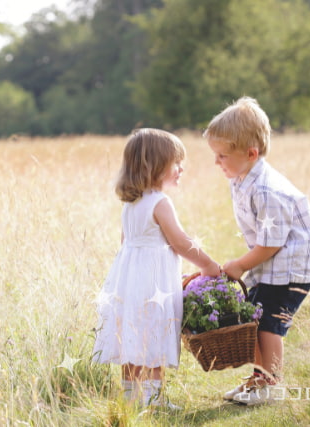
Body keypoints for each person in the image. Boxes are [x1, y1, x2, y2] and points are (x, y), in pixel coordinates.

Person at [203, 97, 310, 405]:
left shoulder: (267, 190)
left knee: (269, 324)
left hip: (290, 268)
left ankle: (271, 385)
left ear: (251, 153)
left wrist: (241, 264)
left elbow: (273, 241)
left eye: (222, 155)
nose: (217, 162)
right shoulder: (241, 177)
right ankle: (258, 380)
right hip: (271, 267)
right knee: (253, 320)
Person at [92, 128, 221, 409]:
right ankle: (152, 400)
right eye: (175, 163)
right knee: (154, 332)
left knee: (133, 335)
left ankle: (131, 396)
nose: (181, 168)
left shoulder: (132, 204)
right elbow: (181, 243)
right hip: (154, 284)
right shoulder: (160, 203)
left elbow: (126, 242)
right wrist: (209, 265)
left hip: (129, 281)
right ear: (155, 166)